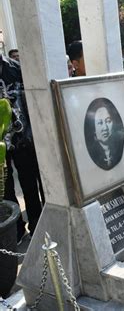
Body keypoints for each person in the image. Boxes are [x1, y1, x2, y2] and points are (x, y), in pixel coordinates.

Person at [0, 54, 44, 243]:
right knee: (6, 187)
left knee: (29, 183)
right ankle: (16, 228)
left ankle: (37, 224)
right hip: (1, 145)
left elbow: (31, 101)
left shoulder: (16, 68)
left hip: (23, 138)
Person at [84, 98, 124, 170]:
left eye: (108, 121)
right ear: (93, 128)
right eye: (100, 123)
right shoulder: (93, 154)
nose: (105, 128)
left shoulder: (118, 149)